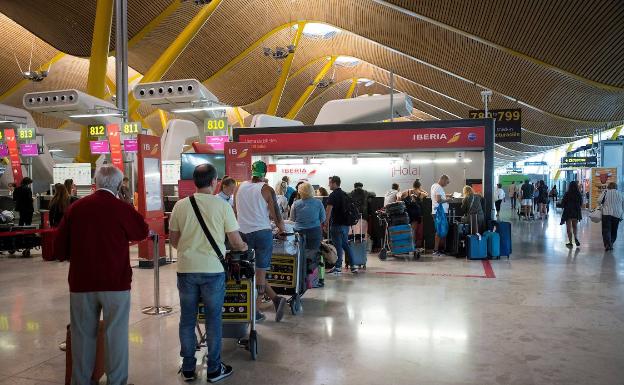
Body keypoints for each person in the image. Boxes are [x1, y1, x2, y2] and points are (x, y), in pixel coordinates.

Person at [53, 165, 149, 385]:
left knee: (82, 336)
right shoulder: (121, 208)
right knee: (116, 335)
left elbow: (59, 247)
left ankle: (81, 381)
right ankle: (116, 381)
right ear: (117, 185)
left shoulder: (76, 208)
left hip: (81, 282)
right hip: (116, 283)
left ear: (94, 183)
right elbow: (141, 231)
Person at [169, 164, 247, 382]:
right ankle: (214, 369)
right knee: (213, 319)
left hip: (186, 270)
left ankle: (187, 368)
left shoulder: (180, 206)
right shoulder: (222, 206)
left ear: (195, 182)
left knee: (187, 319)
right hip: (213, 271)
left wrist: (190, 250)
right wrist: (242, 248)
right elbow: (235, 240)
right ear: (214, 183)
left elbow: (174, 241)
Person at [234, 161, 287, 322]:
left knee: (246, 272)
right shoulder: (267, 189)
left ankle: (274, 300)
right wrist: (282, 230)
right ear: (265, 173)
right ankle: (260, 309)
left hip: (242, 234)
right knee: (260, 273)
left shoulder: (239, 188)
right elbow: (276, 215)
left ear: (251, 172)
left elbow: (235, 211)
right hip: (262, 234)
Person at [324, 176, 357, 274]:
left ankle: (338, 267)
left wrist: (325, 224)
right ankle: (353, 266)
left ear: (334, 183)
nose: (328, 185)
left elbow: (328, 211)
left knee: (338, 246)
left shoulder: (333, 195)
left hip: (337, 225)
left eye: (330, 183)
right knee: (345, 245)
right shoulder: (345, 194)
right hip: (346, 225)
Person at [290, 182, 326, 255]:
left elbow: (292, 219)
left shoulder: (295, 203)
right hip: (314, 231)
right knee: (313, 254)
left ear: (300, 192)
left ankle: (301, 266)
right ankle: (312, 266)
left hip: (298, 232)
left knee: (299, 254)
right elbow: (323, 218)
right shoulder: (318, 202)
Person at [399, 180, 428, 248]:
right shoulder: (420, 193)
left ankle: (406, 245)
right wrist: (421, 189)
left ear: (413, 185)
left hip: (408, 212)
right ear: (419, 186)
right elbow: (427, 194)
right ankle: (412, 245)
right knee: (413, 230)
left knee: (407, 229)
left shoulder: (407, 191)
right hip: (416, 213)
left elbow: (400, 196)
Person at [598, 182, 624, 251]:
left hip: (606, 213)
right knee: (614, 230)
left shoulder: (605, 192)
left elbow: (599, 201)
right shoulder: (621, 194)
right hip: (617, 214)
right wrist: (621, 215)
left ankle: (607, 244)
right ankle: (611, 243)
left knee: (606, 230)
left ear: (609, 187)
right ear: (616, 187)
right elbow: (623, 206)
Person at [430, 175, 450, 256]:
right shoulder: (438, 187)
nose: (446, 184)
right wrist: (448, 200)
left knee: (441, 230)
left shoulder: (435, 186)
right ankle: (436, 250)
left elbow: (438, 197)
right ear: (442, 179)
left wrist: (447, 196)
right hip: (439, 212)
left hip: (438, 212)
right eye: (446, 182)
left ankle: (439, 249)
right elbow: (438, 200)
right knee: (439, 231)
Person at [559, 181, 583, 248]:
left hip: (568, 211)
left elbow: (563, 203)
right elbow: (581, 203)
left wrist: (562, 206)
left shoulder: (567, 193)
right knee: (575, 226)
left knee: (568, 228)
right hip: (576, 211)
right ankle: (575, 238)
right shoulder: (578, 194)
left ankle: (570, 242)